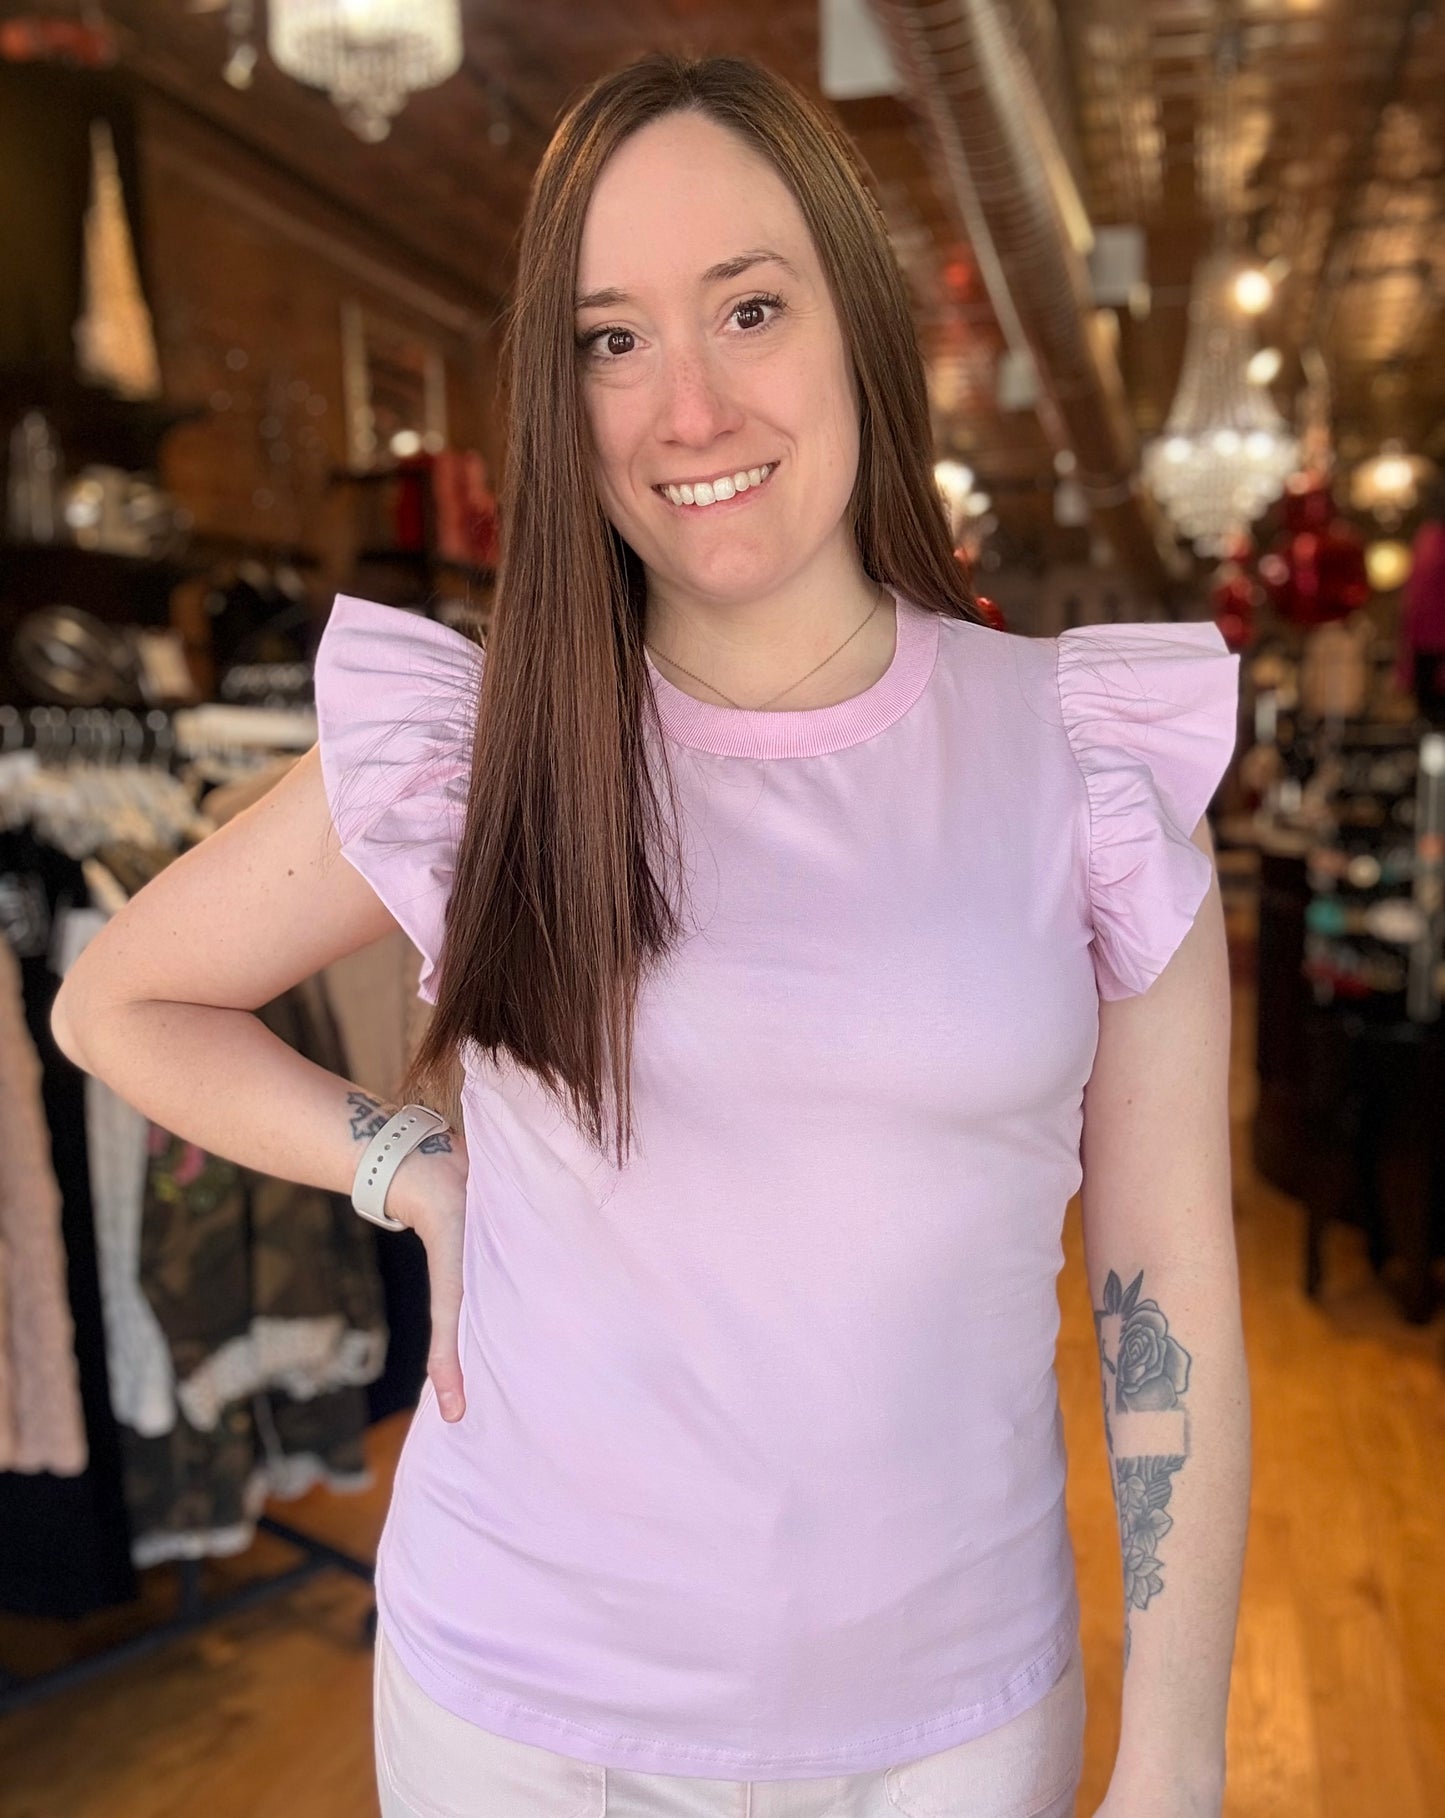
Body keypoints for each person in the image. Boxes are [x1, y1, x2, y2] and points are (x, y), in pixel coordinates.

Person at [54, 51, 1250, 1818]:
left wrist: (1175, 1748)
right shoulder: (484, 746)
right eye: (611, 339)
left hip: (952, 1721)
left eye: (747, 309)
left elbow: (1172, 1297)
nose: (684, 407)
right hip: (520, 1715)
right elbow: (113, 998)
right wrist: (407, 1161)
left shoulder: (1080, 752)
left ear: (854, 320)